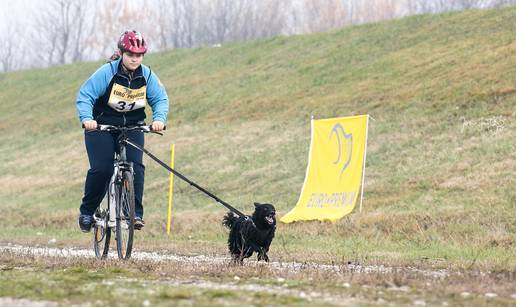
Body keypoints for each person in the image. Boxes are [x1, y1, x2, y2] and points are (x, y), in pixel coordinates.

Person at [76, 30, 169, 232]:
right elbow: (85, 96)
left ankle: (134, 213)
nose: (134, 59)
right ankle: (87, 211)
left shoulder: (147, 75)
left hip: (133, 126)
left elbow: (160, 98)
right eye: (130, 55)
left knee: (136, 167)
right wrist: (87, 119)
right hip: (102, 126)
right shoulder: (106, 72)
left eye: (138, 55)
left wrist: (159, 120)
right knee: (103, 169)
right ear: (122, 53)